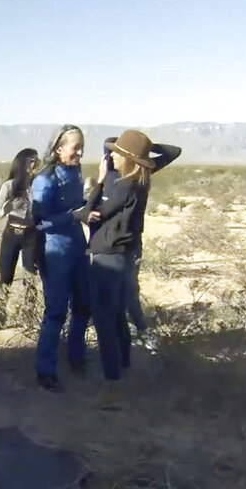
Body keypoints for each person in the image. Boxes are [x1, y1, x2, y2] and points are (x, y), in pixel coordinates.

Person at [81, 130, 180, 409]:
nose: (109, 155)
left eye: (115, 151)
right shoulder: (139, 180)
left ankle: (112, 385)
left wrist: (98, 185)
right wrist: (143, 153)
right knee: (117, 314)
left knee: (105, 322)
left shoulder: (123, 184)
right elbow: (172, 152)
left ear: (128, 158)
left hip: (108, 256)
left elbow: (93, 214)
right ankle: (123, 364)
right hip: (122, 255)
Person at [97, 136, 180, 350]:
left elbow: (174, 151)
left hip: (128, 243)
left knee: (128, 290)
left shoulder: (138, 173)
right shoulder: (114, 175)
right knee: (117, 291)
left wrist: (143, 148)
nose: (112, 155)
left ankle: (139, 330)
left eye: (117, 151)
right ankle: (130, 332)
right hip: (112, 243)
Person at [31, 124, 91, 393]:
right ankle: (45, 370)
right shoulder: (45, 179)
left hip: (78, 247)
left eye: (81, 147)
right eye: (75, 147)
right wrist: (73, 217)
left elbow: (77, 205)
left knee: (83, 305)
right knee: (56, 312)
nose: (79, 152)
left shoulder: (75, 172)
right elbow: (39, 222)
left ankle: (76, 356)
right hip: (55, 252)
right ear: (58, 149)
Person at [0, 147, 40, 329]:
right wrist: (5, 209)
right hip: (11, 234)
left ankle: (30, 315)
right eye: (31, 160)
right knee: (5, 275)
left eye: (36, 160)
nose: (35, 163)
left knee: (30, 276)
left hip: (31, 235)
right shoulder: (9, 186)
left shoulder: (39, 184)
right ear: (22, 163)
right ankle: (0, 317)